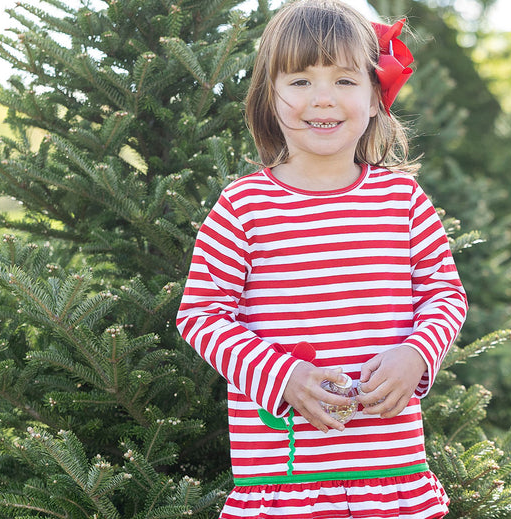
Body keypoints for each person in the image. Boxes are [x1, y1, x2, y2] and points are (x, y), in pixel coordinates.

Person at [175, 1, 464, 517]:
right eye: (301, 81)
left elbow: (444, 295)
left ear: (376, 97)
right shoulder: (243, 208)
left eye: (345, 81)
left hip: (389, 469)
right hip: (285, 481)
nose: (323, 99)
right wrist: (281, 376)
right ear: (270, 97)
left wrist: (417, 353)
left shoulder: (402, 201)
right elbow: (201, 315)